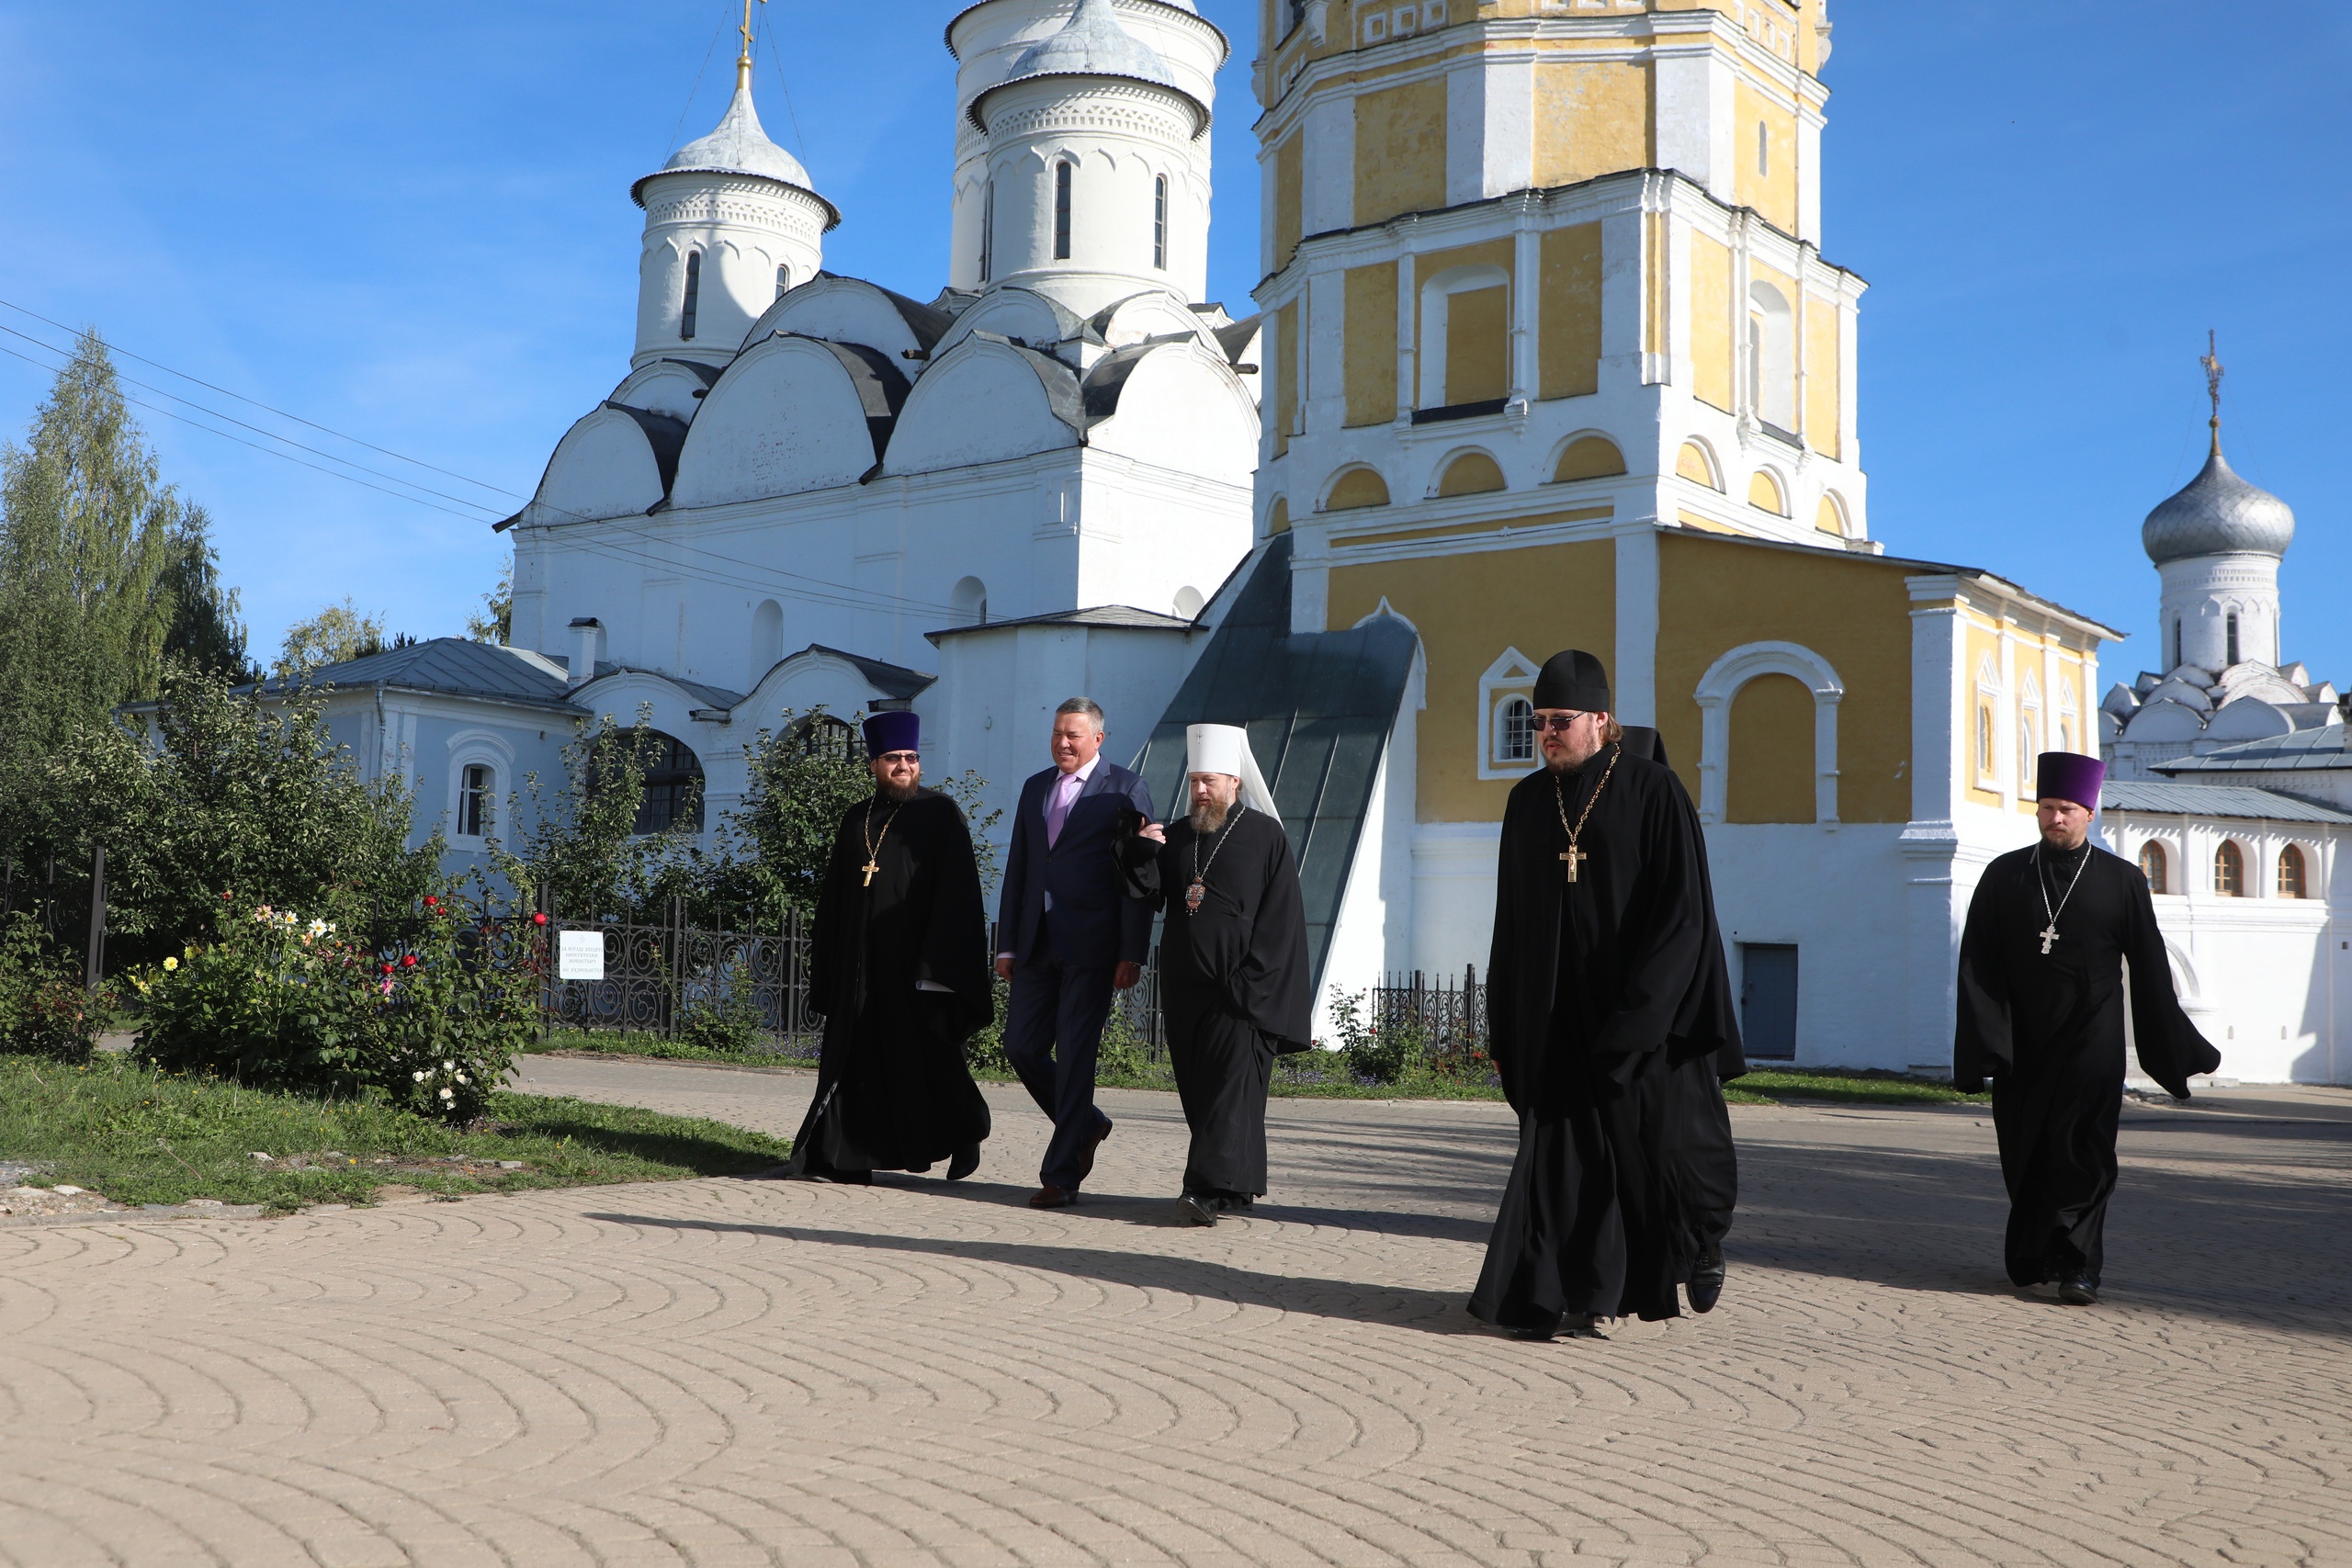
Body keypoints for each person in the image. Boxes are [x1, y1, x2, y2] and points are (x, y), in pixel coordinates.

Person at [1470, 649, 1745, 1340]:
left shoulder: (1655, 792)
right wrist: (1505, 1027)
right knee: (1562, 1165)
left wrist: (1643, 1015)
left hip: (1640, 1019)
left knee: (1666, 1153)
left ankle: (1695, 1244)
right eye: (1538, 723)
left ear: (1601, 719)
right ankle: (1567, 1289)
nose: (1548, 734)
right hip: (1557, 1021)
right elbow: (1511, 923)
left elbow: (1683, 915)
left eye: (1560, 720)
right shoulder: (1527, 802)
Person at [1954, 751, 2221, 1305]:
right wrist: (1984, 1042)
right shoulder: (2005, 875)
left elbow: (2149, 964)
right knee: (2026, 1151)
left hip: (2091, 1041)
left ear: (2090, 813)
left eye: (2068, 809)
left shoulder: (2121, 881)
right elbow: (1978, 962)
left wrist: (2172, 1044)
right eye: (2048, 807)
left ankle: (2079, 1267)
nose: (2056, 818)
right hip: (2024, 1043)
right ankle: (2036, 1254)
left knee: (2084, 1152)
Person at [786, 711, 994, 1184]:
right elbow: (834, 899)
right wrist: (833, 965)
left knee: (929, 1056)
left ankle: (965, 1131)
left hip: (917, 966)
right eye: (893, 759)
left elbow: (959, 894)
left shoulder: (941, 814)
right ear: (873, 764)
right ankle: (846, 1158)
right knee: (856, 1056)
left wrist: (938, 967)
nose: (904, 766)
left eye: (911, 758)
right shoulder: (857, 818)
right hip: (861, 968)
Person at [1123, 724, 1312, 1226]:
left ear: (1235, 783)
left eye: (1210, 781)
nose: (1200, 791)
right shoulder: (1181, 835)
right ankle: (1235, 1187)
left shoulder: (1265, 835)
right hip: (1185, 989)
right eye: (1194, 782)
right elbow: (1150, 894)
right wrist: (1140, 852)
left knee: (1230, 1090)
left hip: (1241, 991)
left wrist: (1253, 981)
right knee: (1202, 1091)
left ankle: (1202, 1190)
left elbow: (1282, 918)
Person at [996, 698, 1157, 1209]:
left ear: (1098, 740)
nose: (1063, 743)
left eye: (1074, 735)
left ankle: (1061, 1174)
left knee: (1075, 1055)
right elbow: (1019, 865)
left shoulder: (1126, 788)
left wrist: (1132, 949)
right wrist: (1007, 943)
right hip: (1035, 942)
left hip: (1093, 945)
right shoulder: (1035, 787)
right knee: (1020, 1045)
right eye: (1057, 733)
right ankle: (1086, 1123)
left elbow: (1139, 876)